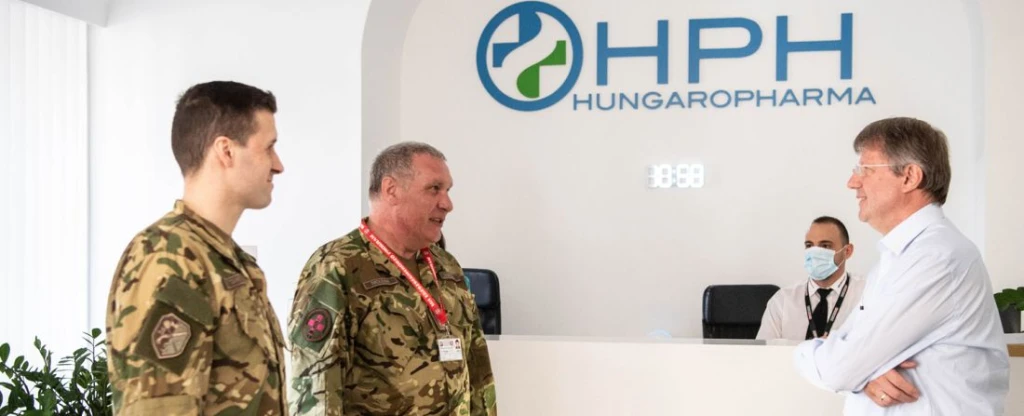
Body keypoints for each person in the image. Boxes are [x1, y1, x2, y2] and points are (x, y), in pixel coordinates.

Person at [794, 117, 1010, 415]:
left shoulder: (936, 258)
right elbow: (849, 362)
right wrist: (863, 374)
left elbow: (840, 369)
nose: (852, 182)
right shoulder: (898, 258)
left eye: (865, 169)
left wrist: (835, 362)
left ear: (909, 177)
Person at [105, 81, 288, 415]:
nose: (278, 165)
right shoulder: (169, 258)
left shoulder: (230, 260)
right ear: (226, 151)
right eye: (269, 148)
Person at [288, 142, 497, 415]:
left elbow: (477, 366)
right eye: (434, 188)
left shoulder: (446, 266)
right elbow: (315, 391)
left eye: (448, 191)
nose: (447, 204)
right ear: (391, 190)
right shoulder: (337, 267)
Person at [757, 216, 866, 341]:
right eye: (809, 245)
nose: (815, 253)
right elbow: (761, 351)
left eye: (825, 246)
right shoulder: (783, 301)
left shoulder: (867, 294)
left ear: (847, 251)